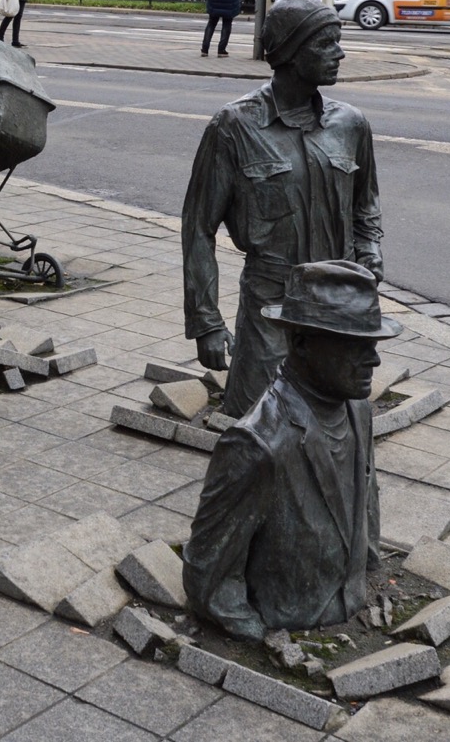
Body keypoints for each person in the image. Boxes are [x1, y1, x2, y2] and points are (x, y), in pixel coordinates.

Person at [182, 0, 384, 419]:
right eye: (326, 43)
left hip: (337, 302)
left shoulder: (351, 124)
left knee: (333, 425)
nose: (340, 54)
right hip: (270, 305)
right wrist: (206, 322)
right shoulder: (234, 126)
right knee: (257, 424)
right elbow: (198, 228)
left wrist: (370, 253)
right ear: (292, 53)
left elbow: (366, 206)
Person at [183, 260, 397, 638]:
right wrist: (257, 636)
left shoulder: (357, 409)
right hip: (290, 618)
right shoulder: (257, 444)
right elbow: (207, 567)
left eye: (374, 344)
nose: (374, 360)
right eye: (356, 345)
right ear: (301, 342)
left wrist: (369, 567)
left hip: (351, 601)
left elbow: (367, 501)